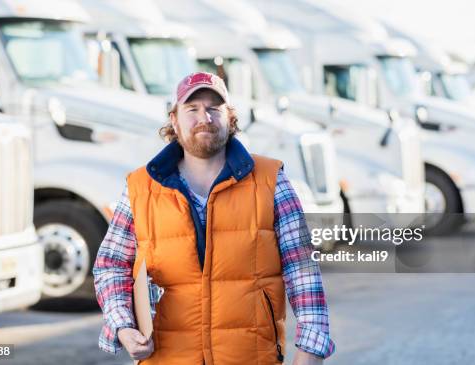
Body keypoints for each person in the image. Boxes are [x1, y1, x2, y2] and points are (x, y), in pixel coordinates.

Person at [93, 72, 335, 364]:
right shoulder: (140, 187)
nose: (204, 117)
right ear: (174, 120)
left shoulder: (271, 181)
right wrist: (123, 326)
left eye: (213, 108)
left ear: (230, 117)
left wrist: (310, 350)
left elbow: (302, 269)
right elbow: (111, 265)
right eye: (192, 109)